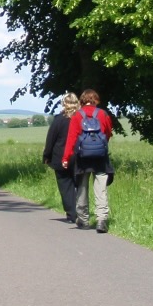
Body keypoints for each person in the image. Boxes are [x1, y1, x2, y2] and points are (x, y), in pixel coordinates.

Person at [61, 88, 114, 232]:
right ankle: (101, 220)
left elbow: (71, 139)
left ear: (82, 101)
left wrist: (66, 158)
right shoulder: (103, 114)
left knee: (82, 189)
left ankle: (83, 220)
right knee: (101, 189)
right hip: (100, 158)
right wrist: (101, 146)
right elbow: (108, 132)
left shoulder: (77, 116)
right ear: (96, 100)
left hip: (82, 158)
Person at [42, 92, 80, 223]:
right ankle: (82, 213)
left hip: (59, 157)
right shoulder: (82, 119)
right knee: (80, 185)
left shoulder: (58, 120)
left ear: (64, 103)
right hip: (79, 156)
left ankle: (71, 215)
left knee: (65, 187)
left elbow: (50, 140)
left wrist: (46, 156)